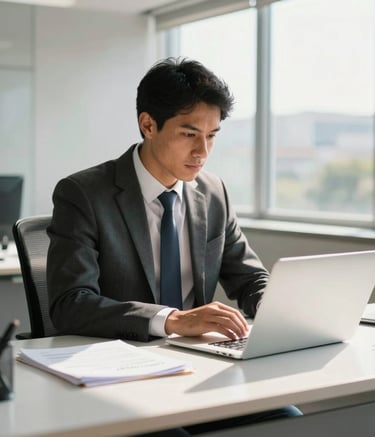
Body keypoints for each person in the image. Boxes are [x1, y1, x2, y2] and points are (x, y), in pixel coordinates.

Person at [47, 57, 302, 435]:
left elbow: (250, 279)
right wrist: (171, 320)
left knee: (288, 420)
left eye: (212, 135)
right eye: (189, 134)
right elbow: (71, 304)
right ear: (148, 125)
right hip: (123, 371)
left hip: (200, 365)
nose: (202, 151)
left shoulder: (212, 193)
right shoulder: (83, 194)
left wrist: (277, 311)